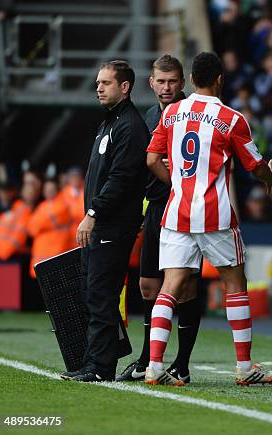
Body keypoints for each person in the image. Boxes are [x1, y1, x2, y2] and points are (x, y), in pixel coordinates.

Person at [145, 52, 272, 386]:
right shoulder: (232, 118)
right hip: (215, 214)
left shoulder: (172, 112)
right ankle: (245, 366)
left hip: (177, 212)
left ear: (190, 80)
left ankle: (154, 366)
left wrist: (176, 182)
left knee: (170, 288)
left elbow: (151, 159)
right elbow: (254, 164)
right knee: (235, 285)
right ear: (220, 79)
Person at [61, 60, 149, 382]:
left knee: (101, 294)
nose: (98, 88)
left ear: (124, 87)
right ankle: (93, 363)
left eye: (106, 83)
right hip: (103, 226)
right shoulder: (110, 122)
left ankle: (100, 368)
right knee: (93, 293)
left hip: (112, 226)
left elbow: (121, 179)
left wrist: (92, 214)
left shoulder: (129, 126)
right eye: (98, 83)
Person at [116, 54, 202, 385]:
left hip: (184, 210)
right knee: (148, 286)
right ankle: (146, 359)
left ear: (183, 83)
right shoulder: (150, 115)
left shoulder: (195, 114)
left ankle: (182, 363)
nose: (166, 87)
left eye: (172, 82)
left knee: (185, 288)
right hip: (154, 209)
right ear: (151, 83)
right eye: (160, 82)